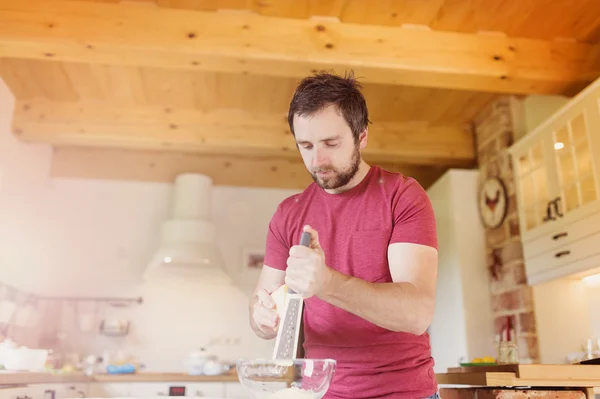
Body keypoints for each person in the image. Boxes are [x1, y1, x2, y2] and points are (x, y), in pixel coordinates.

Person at [248, 71, 439, 399]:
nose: (317, 161)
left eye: (331, 144)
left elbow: (417, 313)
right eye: (305, 146)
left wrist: (327, 284)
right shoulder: (288, 214)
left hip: (403, 393)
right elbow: (261, 303)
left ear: (361, 136)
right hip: (320, 394)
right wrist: (262, 317)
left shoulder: (402, 196)